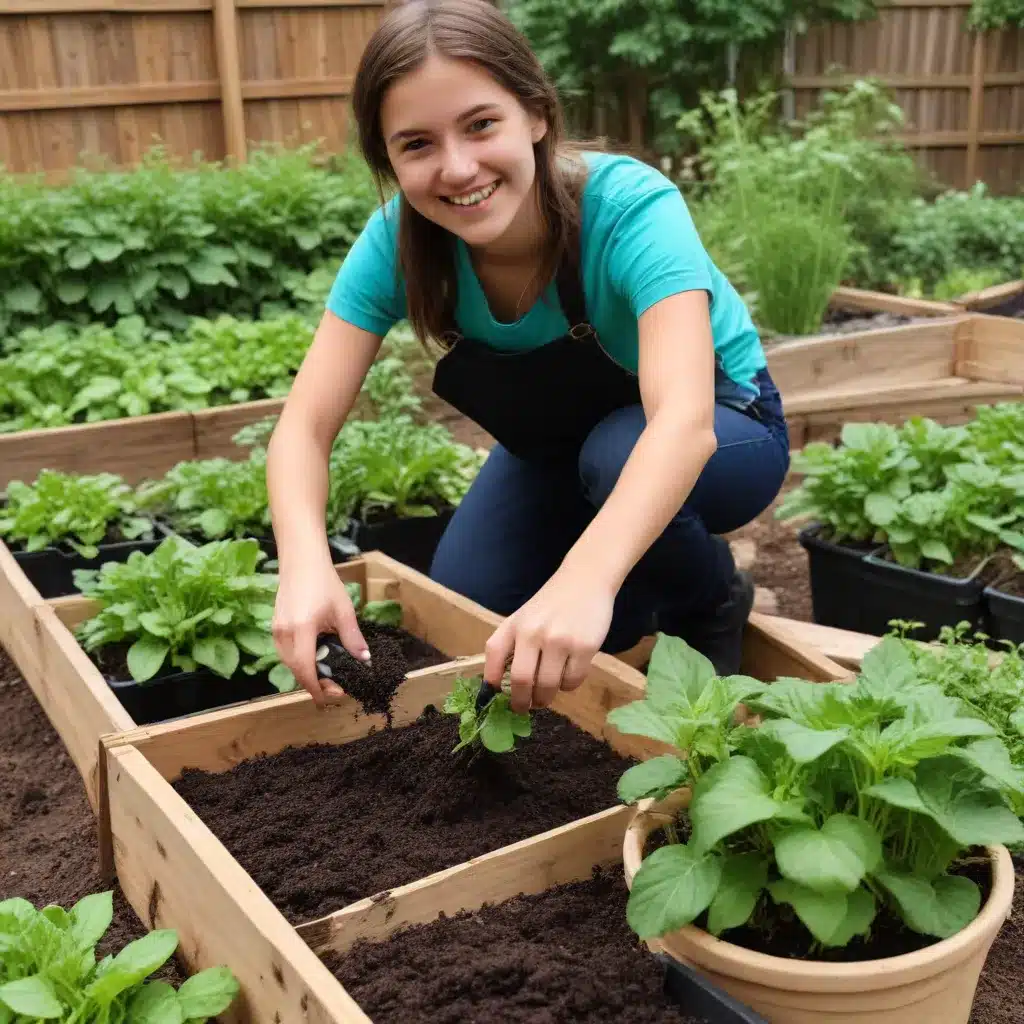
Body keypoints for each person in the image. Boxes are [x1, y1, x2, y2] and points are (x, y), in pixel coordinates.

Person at [266, 0, 790, 716]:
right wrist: (303, 566)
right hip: (563, 444)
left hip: (729, 427)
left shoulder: (629, 208)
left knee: (616, 470)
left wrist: (586, 580)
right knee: (473, 595)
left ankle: (711, 597)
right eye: (416, 144)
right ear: (386, 158)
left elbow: (684, 424)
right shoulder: (399, 245)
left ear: (536, 114)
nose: (457, 168)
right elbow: (303, 427)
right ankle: (633, 588)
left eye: (482, 125)